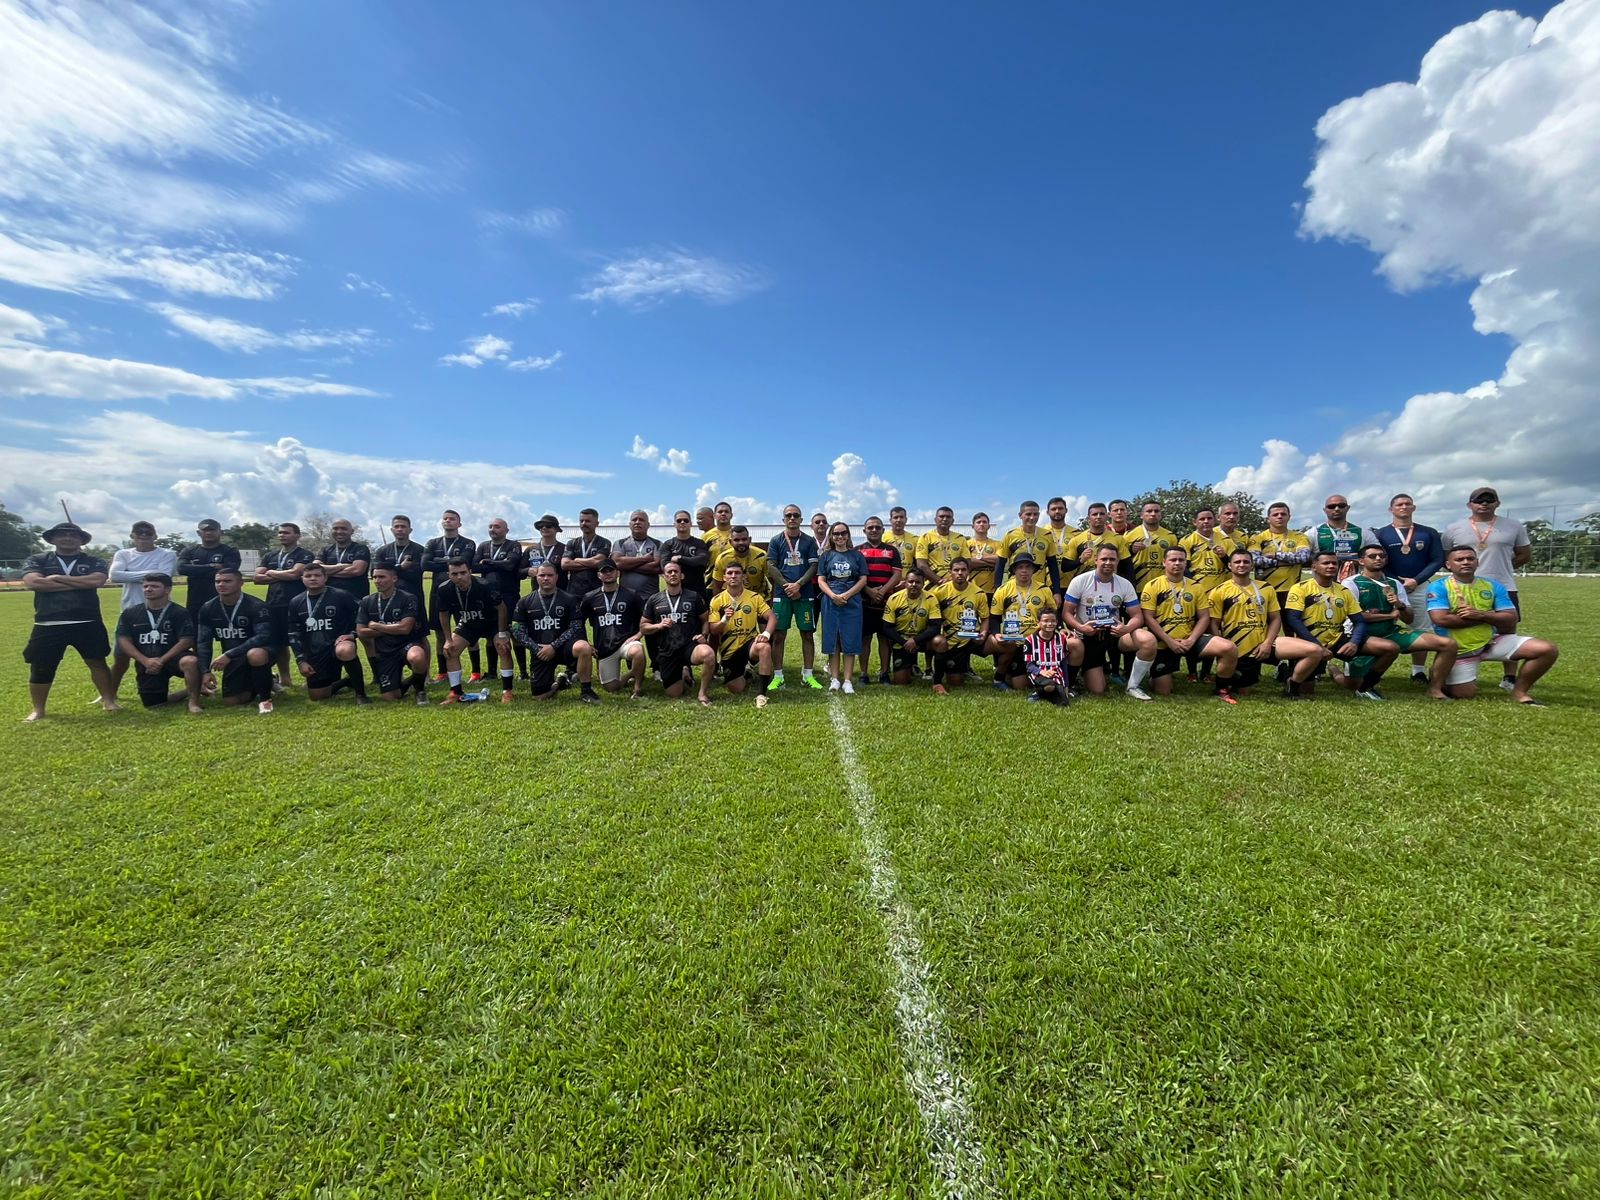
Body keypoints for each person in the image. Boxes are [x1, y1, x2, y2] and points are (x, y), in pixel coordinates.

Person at [1427, 546, 1559, 705]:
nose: (1466, 562)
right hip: (1460, 650)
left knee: (1546, 649)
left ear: (1478, 562)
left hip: (1492, 641)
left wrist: (1480, 615)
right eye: (1459, 559)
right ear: (1448, 564)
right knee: (1464, 694)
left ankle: (1519, 692)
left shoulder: (1492, 585)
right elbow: (1441, 620)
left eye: (1470, 558)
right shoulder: (1439, 586)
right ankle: (1440, 671)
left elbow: (1511, 618)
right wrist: (1491, 616)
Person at [22, 522, 119, 721]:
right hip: (48, 623)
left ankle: (109, 701)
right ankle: (38, 710)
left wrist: (56, 579)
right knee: (41, 666)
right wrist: (78, 583)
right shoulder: (38, 559)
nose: (68, 538)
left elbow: (97, 581)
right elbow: (33, 583)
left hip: (87, 620)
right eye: (62, 534)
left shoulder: (93, 560)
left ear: (81, 540)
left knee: (97, 661)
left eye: (73, 535)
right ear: (52, 539)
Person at [1344, 544, 1458, 701]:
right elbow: (1357, 617)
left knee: (1448, 644)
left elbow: (1409, 618)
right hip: (1362, 636)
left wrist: (1399, 605)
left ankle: (1435, 689)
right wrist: (1390, 616)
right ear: (1361, 561)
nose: (1378, 558)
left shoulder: (1394, 584)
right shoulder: (1351, 583)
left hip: (1392, 632)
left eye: (1382, 556)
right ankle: (1335, 671)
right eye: (1372, 556)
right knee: (1350, 685)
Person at [1443, 487, 1531, 691]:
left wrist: (1504, 568)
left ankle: (1509, 677)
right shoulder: (1454, 528)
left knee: (1507, 627)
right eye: (1478, 500)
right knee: (1460, 623)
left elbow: (1524, 554)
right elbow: (1447, 557)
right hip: (1463, 586)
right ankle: (1455, 667)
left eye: (1489, 500)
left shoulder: (1514, 526)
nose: (1484, 504)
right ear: (1469, 504)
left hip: (1503, 584)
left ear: (1497, 503)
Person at [1204, 549, 1322, 698]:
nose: (1242, 565)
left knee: (1314, 651)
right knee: (1243, 692)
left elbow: (1275, 619)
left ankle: (1292, 685)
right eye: (1237, 562)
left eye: (1246, 562)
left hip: (1266, 643)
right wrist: (1223, 650)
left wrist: (1267, 643)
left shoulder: (1266, 588)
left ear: (1252, 565)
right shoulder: (1219, 591)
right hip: (1239, 649)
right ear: (1229, 566)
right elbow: (1213, 623)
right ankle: (1279, 671)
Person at [1281, 550, 1384, 699]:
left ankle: (1365, 688)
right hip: (1310, 642)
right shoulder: (1300, 588)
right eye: (1326, 563)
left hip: (1336, 639)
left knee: (1389, 648)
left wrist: (1354, 642)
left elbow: (1359, 621)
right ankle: (1286, 672)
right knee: (1307, 690)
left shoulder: (1343, 591)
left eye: (1334, 563)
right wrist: (1317, 646)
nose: (1331, 566)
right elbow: (1293, 620)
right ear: (1314, 566)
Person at [1138, 547, 1240, 698]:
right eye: (1173, 560)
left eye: (1181, 560)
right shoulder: (1152, 586)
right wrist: (1169, 641)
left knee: (1229, 648)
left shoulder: (1196, 586)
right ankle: (1154, 676)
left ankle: (1221, 688)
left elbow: (1204, 617)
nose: (1177, 563)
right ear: (1164, 562)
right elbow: (1148, 617)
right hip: (1164, 642)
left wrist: (1191, 639)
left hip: (1190, 639)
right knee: (1163, 690)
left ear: (1186, 563)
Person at [1061, 546, 1155, 699]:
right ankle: (1081, 671)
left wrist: (1126, 628)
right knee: (1097, 689)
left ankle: (1133, 686)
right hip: (1090, 636)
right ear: (1095, 560)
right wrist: (1081, 628)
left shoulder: (1124, 584)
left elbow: (1138, 616)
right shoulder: (1080, 581)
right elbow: (1066, 613)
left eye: (1112, 559)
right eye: (1104, 558)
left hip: (1115, 634)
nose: (1108, 562)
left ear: (1117, 561)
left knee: (1148, 640)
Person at [1373, 494, 1446, 684]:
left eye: (1407, 504)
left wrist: (1416, 580)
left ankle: (1418, 671)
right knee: (1377, 625)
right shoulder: (1381, 534)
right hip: (1387, 586)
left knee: (1421, 627)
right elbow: (1377, 560)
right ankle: (1372, 669)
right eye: (1399, 504)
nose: (1403, 507)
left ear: (1414, 508)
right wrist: (1396, 582)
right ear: (1391, 509)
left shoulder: (1428, 532)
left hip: (1420, 586)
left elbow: (1438, 559)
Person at [106, 521, 180, 698]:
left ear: (155, 536)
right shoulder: (123, 553)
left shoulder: (167, 554)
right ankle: (109, 693)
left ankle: (195, 689)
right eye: (139, 532)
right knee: (121, 658)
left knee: (171, 653)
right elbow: (115, 576)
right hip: (130, 612)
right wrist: (152, 574)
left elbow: (164, 577)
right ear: (132, 536)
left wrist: (129, 574)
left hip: (161, 612)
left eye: (148, 532)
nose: (144, 535)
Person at [194, 566, 277, 714]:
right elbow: (203, 642)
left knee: (255, 654)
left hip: (261, 653)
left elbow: (263, 637)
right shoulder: (207, 608)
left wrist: (229, 654)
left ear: (240, 583)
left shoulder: (256, 606)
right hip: (234, 658)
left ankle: (265, 700)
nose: (221, 584)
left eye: (227, 581)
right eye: (217, 581)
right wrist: (205, 671)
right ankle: (265, 681)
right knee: (231, 702)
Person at [113, 572, 201, 712]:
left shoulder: (179, 612)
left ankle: (193, 702)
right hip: (146, 662)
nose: (148, 589)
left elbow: (186, 640)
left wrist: (161, 660)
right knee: (154, 705)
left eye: (154, 586)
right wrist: (145, 660)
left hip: (172, 658)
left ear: (167, 589)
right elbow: (123, 640)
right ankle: (192, 689)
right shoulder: (130, 613)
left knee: (190, 661)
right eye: (146, 586)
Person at [512, 562, 597, 703]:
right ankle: (560, 682)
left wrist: (553, 646)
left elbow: (576, 627)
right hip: (540, 650)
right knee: (540, 697)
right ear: (536, 578)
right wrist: (536, 648)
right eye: (542, 575)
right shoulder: (524, 602)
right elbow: (517, 631)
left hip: (563, 647)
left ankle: (586, 691)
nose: (546, 578)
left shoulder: (569, 599)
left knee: (583, 647)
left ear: (556, 577)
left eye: (550, 575)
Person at [286, 561, 368, 705]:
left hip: (338, 644)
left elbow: (364, 612)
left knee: (346, 650)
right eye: (308, 576)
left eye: (317, 575)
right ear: (302, 579)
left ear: (325, 578)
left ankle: (360, 694)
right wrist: (301, 661)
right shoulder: (295, 602)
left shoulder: (341, 595)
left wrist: (353, 634)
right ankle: (346, 681)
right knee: (318, 696)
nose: (313, 578)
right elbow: (293, 633)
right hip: (315, 652)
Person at [435, 557, 512, 705]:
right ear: (448, 574)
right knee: (450, 650)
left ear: (470, 572)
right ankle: (455, 692)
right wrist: (448, 639)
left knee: (503, 647)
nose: (459, 577)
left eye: (463, 573)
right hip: (468, 623)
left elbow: (502, 608)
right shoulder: (444, 589)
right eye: (454, 574)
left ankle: (507, 691)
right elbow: (443, 614)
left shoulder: (486, 585)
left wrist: (502, 634)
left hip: (492, 623)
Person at [641, 561, 716, 704]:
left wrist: (704, 635)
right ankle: (683, 671)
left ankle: (702, 693)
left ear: (682, 575)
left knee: (708, 654)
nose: (673, 574)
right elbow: (643, 627)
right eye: (669, 572)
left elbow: (706, 620)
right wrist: (658, 625)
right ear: (664, 576)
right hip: (667, 650)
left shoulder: (694, 597)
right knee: (674, 693)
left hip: (690, 646)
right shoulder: (654, 599)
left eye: (676, 571)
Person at [356, 563, 432, 703]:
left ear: (394, 579)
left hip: (406, 644)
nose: (378, 581)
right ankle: (412, 681)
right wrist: (390, 629)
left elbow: (405, 629)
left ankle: (420, 691)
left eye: (382, 577)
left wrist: (376, 626)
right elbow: (361, 632)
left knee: (417, 656)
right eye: (374, 577)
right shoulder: (367, 601)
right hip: (385, 651)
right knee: (390, 697)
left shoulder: (408, 598)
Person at [766, 506, 822, 691]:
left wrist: (798, 584)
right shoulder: (776, 541)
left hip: (804, 594)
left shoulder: (808, 541)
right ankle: (778, 676)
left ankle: (808, 675)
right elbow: (771, 567)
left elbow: (814, 567)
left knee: (807, 634)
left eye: (795, 515)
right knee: (779, 635)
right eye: (788, 515)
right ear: (783, 520)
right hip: (782, 595)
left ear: (801, 519)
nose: (792, 518)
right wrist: (787, 586)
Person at [707, 562, 778, 706]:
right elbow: (713, 630)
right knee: (736, 688)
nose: (733, 576)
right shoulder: (717, 601)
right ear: (724, 577)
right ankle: (746, 672)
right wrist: (724, 620)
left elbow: (772, 618)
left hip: (749, 644)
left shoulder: (754, 597)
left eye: (737, 573)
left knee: (764, 647)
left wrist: (766, 633)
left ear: (743, 576)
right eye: (730, 573)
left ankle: (762, 694)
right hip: (730, 651)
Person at [254, 522, 314, 691]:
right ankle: (286, 678)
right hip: (273, 604)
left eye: (286, 533)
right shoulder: (270, 556)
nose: (282, 535)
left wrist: (272, 573)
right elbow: (257, 578)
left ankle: (309, 677)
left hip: (298, 603)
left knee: (304, 640)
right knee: (279, 642)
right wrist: (283, 575)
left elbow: (296, 574)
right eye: (280, 533)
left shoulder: (305, 554)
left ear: (297, 536)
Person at [985, 552, 1056, 690]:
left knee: (1024, 685)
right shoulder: (1003, 590)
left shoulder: (1043, 589)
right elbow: (994, 617)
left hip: (1037, 641)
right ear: (1014, 570)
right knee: (1020, 686)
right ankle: (1003, 674)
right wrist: (996, 633)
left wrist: (1058, 629)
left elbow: (1053, 614)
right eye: (1020, 567)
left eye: (1028, 567)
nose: (1024, 571)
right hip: (1014, 640)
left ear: (1033, 570)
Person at [580, 558, 648, 698]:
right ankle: (628, 676)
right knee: (611, 688)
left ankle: (637, 687)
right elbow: (578, 622)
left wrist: (639, 634)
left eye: (611, 570)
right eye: (604, 571)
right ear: (599, 575)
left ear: (618, 573)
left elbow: (646, 617)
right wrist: (586, 643)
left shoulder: (631, 595)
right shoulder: (590, 597)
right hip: (604, 648)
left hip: (626, 642)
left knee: (638, 651)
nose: (608, 573)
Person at [424, 510, 478, 680]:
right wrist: (450, 562)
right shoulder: (432, 542)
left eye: (452, 519)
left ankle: (476, 672)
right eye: (445, 518)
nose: (448, 521)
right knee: (441, 633)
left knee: (470, 631)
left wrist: (438, 561)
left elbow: (464, 561)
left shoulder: (468, 543)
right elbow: (425, 564)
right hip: (439, 592)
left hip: (463, 592)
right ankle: (443, 672)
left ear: (459, 524)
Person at [816, 522, 868, 693]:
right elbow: (821, 579)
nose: (840, 537)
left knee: (849, 640)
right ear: (831, 536)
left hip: (851, 602)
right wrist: (832, 595)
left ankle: (847, 680)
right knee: (833, 640)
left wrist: (847, 595)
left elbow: (863, 580)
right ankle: (835, 679)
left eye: (843, 533)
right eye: (836, 534)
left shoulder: (857, 556)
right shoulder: (826, 556)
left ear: (848, 535)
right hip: (831, 601)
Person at [475, 517, 527, 679]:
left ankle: (524, 673)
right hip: (488, 597)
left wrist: (489, 562)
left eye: (497, 527)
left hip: (509, 595)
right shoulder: (483, 546)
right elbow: (475, 565)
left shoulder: (513, 545)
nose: (493, 529)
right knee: (492, 635)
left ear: (506, 530)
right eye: (490, 526)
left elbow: (511, 565)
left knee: (515, 635)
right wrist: (499, 563)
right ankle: (491, 672)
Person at [857, 516, 904, 685]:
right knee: (865, 639)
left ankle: (884, 673)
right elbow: (856, 577)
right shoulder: (858, 550)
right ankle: (863, 674)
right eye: (870, 527)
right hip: (864, 602)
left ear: (883, 530)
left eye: (877, 527)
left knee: (885, 638)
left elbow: (897, 574)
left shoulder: (892, 550)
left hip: (887, 602)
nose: (874, 530)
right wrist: (869, 591)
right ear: (865, 531)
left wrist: (882, 592)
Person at [883, 572, 946, 687]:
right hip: (902, 640)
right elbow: (887, 628)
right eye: (910, 581)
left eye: (918, 582)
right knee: (901, 681)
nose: (913, 585)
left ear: (923, 584)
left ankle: (937, 681)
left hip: (923, 639)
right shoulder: (894, 599)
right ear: (905, 583)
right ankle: (909, 667)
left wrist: (916, 640)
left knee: (940, 641)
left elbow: (935, 627)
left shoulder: (931, 598)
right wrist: (905, 642)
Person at [177, 518, 240, 613]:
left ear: (220, 532)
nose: (208, 533)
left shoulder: (230, 551)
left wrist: (195, 570)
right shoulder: (189, 551)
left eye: (212, 530)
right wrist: (211, 567)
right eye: (205, 530)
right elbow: (182, 569)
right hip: (195, 600)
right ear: (198, 533)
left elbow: (229, 572)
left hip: (223, 600)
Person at [997, 500, 1058, 596]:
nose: (1032, 518)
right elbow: (1000, 565)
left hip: (1039, 587)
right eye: (1028, 514)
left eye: (1035, 514)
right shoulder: (1010, 535)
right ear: (1020, 515)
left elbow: (1053, 565)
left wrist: (1057, 592)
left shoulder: (1047, 535)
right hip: (1014, 588)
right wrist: (997, 589)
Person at [1306, 494, 1372, 578]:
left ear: (1347, 508)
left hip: (1353, 583)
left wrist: (1358, 560)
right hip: (1322, 584)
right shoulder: (1313, 533)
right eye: (1331, 506)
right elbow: (1303, 557)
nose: (1337, 509)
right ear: (1325, 510)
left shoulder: (1363, 532)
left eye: (1341, 506)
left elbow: (1378, 555)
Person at [1063, 504, 1127, 585]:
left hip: (1110, 585)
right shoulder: (1076, 540)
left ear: (1107, 516)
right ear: (1088, 518)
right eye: (1094, 514)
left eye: (1102, 514)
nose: (1098, 517)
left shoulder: (1118, 538)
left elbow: (1126, 567)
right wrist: (1080, 560)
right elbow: (1065, 567)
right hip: (1084, 585)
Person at [1022, 609, 1073, 706]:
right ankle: (1039, 693)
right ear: (1038, 622)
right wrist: (1042, 672)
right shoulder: (1030, 640)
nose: (1050, 624)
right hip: (1038, 673)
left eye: (1053, 621)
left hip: (1056, 673)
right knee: (1049, 686)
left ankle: (1043, 694)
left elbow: (1063, 663)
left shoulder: (1061, 639)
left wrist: (1066, 686)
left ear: (1057, 622)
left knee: (1064, 704)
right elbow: (1029, 665)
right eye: (1045, 621)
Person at [1123, 501, 1178, 592]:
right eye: (1149, 511)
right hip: (1137, 586)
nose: (1153, 514)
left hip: (1164, 587)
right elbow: (1122, 561)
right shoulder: (1129, 535)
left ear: (1160, 514)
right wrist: (1131, 550)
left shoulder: (1170, 536)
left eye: (1156, 511)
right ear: (1141, 515)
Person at [659, 510, 712, 600]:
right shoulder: (668, 544)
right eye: (679, 521)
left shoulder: (699, 543)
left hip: (697, 590)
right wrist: (692, 562)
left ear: (690, 523)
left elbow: (702, 560)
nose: (682, 522)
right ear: (674, 524)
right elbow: (666, 566)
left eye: (686, 520)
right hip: (675, 591)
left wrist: (680, 559)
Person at [371, 515, 427, 598]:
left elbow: (415, 573)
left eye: (403, 526)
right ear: (392, 530)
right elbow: (374, 573)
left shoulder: (420, 550)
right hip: (388, 596)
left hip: (414, 595)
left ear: (410, 530)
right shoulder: (382, 551)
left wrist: (389, 571)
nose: (400, 529)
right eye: (396, 526)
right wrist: (400, 567)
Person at [915, 506, 969, 589]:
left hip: (955, 585)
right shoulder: (926, 537)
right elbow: (921, 565)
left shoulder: (960, 539)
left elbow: (967, 562)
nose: (945, 519)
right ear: (935, 519)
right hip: (932, 585)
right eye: (941, 516)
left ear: (952, 521)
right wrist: (939, 581)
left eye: (948, 517)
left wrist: (952, 580)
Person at [562, 508, 610, 599]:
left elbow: (598, 562)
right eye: (581, 521)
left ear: (597, 524)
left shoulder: (604, 542)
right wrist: (591, 564)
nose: (584, 523)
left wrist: (577, 560)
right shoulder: (572, 543)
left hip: (597, 591)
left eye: (588, 521)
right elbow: (565, 564)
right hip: (574, 592)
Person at [711, 526, 771, 599]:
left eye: (744, 539)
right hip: (733, 601)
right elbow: (717, 586)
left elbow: (772, 581)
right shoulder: (723, 558)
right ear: (730, 542)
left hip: (759, 600)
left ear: (750, 540)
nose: (741, 542)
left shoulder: (762, 556)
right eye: (736, 540)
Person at [612, 510, 662, 597]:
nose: (637, 522)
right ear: (629, 524)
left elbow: (657, 567)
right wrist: (644, 559)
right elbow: (617, 563)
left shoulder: (657, 544)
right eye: (634, 520)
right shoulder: (620, 543)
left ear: (648, 525)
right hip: (626, 597)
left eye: (641, 520)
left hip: (650, 596)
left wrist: (627, 565)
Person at [319, 519, 371, 599]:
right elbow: (316, 568)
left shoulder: (360, 549)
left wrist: (325, 572)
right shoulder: (325, 550)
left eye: (344, 529)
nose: (339, 531)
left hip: (355, 597)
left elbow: (356, 571)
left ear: (352, 531)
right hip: (329, 598)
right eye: (335, 528)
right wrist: (343, 566)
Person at [966, 512, 1000, 596]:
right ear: (972, 526)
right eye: (978, 522)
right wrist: (990, 562)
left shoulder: (998, 544)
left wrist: (977, 558)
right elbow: (967, 562)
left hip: (992, 590)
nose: (981, 524)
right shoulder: (966, 544)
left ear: (989, 526)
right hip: (971, 589)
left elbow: (999, 561)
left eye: (984, 522)